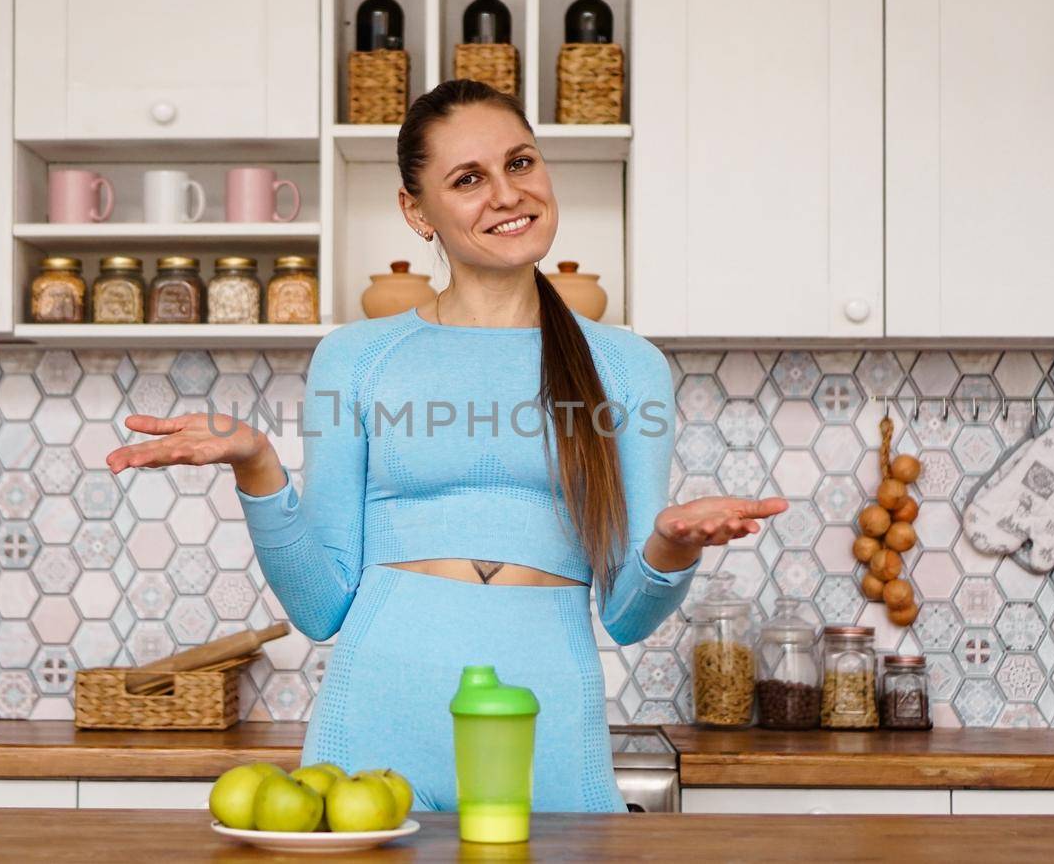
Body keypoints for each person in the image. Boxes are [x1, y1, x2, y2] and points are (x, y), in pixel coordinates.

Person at [107, 79, 788, 813]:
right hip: (377, 722)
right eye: (468, 179)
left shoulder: (626, 366)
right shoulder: (357, 358)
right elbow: (321, 607)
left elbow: (626, 616)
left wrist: (673, 548)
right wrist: (258, 468)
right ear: (415, 210)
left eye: (520, 163)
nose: (507, 194)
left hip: (546, 728)